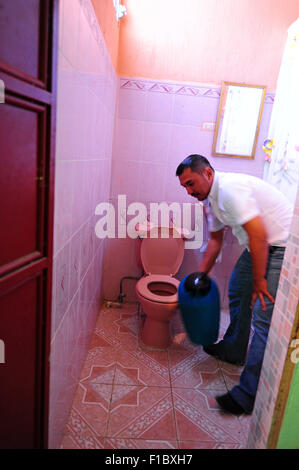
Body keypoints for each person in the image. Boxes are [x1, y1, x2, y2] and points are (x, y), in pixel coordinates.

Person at [176, 154, 293, 415]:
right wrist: (201, 275)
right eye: (184, 186)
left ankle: (247, 395)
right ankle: (233, 350)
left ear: (207, 173)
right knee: (238, 291)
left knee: (263, 318)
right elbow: (215, 240)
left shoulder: (229, 190)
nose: (189, 191)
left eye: (191, 183)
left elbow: (260, 235)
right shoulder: (211, 201)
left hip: (279, 246)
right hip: (259, 246)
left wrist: (260, 280)